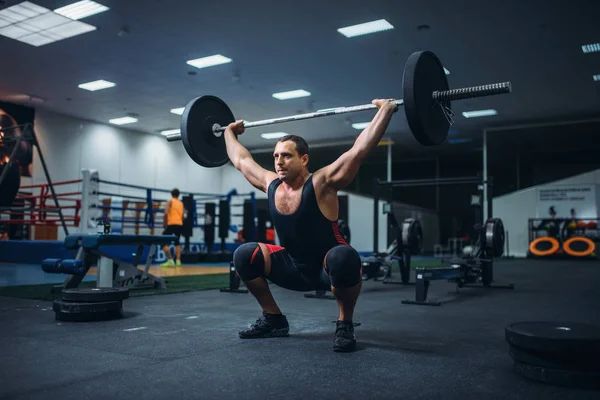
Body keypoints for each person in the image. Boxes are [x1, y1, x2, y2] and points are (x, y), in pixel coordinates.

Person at [225, 98, 398, 352]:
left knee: (344, 256)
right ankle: (274, 319)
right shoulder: (271, 184)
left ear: (304, 159)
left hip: (329, 271)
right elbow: (241, 161)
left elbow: (359, 151)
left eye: (286, 155)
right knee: (244, 254)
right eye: (275, 156)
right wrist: (228, 133)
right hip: (293, 269)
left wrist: (385, 111)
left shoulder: (322, 183)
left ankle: (345, 323)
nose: (279, 161)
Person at [160, 188, 184, 267]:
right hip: (180, 224)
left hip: (171, 223)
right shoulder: (181, 203)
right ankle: (178, 261)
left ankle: (170, 260)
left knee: (161, 241)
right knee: (177, 242)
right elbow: (182, 215)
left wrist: (164, 223)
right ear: (178, 195)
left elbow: (166, 213)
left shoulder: (170, 202)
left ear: (171, 194)